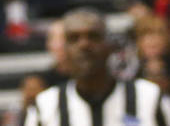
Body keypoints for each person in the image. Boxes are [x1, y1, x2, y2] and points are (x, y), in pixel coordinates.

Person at [26, 9, 170, 126]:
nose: (84, 45)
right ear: (65, 50)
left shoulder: (149, 97)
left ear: (109, 46)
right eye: (73, 38)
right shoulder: (45, 105)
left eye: (94, 37)